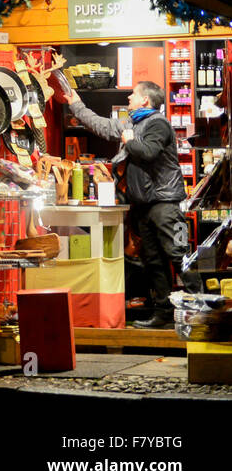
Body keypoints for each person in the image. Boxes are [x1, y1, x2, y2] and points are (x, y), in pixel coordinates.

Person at [66, 81, 200, 326]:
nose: (128, 97)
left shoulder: (158, 124)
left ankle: (198, 313)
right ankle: (163, 313)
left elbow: (148, 152)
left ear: (145, 101)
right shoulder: (132, 123)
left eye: (133, 94)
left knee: (179, 255)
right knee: (153, 261)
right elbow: (102, 125)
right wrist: (76, 103)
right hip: (143, 205)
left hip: (164, 203)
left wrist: (129, 141)